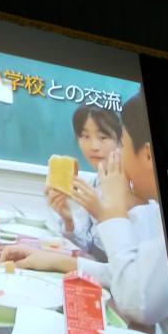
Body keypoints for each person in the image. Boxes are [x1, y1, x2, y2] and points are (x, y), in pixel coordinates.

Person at [0, 93, 168, 334]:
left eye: (116, 141)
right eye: (84, 136)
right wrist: (54, 256)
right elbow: (125, 272)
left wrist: (110, 214)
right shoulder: (101, 183)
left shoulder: (148, 204)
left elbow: (138, 303)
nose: (94, 146)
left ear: (146, 154)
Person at [46, 105, 124, 260]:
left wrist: (100, 212)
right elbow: (86, 247)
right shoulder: (93, 183)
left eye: (103, 137)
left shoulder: (134, 186)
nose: (93, 147)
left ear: (121, 141)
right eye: (85, 136)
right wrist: (68, 221)